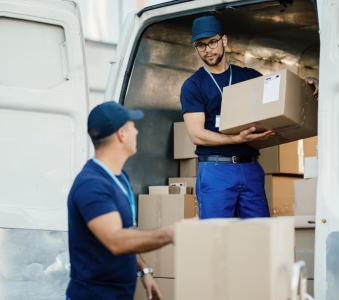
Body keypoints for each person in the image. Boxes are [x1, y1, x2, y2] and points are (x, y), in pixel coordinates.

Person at [180, 16, 319, 220]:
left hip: (250, 167)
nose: (207, 49)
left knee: (259, 235)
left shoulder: (248, 77)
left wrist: (307, 83)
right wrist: (237, 139)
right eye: (201, 45)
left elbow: (278, 98)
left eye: (212, 42)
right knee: (216, 237)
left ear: (224, 40)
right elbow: (196, 134)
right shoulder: (193, 85)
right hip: (216, 169)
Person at [66, 101, 173, 300]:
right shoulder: (91, 185)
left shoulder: (119, 177)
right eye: (133, 127)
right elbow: (116, 241)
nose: (137, 133)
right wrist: (171, 233)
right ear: (121, 134)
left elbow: (127, 232)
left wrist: (144, 271)